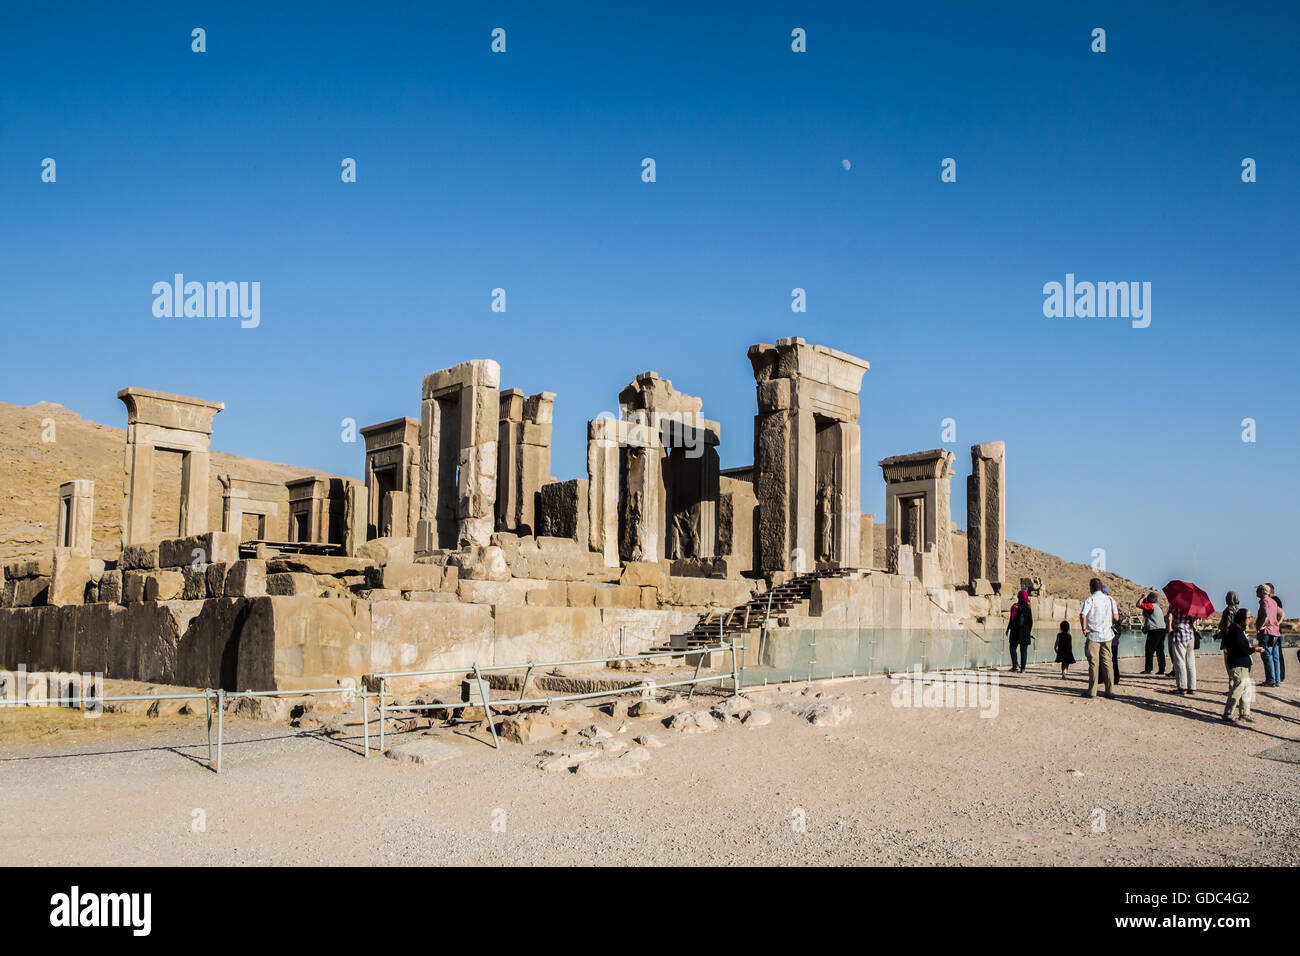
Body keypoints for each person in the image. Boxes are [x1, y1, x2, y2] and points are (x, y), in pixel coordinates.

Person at [1222, 608, 1265, 724]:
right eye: (1248, 617)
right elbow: (1242, 649)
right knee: (1238, 689)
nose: (1250, 620)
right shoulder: (1235, 631)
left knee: (1247, 689)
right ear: (1242, 618)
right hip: (1238, 665)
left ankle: (1244, 713)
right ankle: (1228, 713)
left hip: (1242, 665)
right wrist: (1254, 649)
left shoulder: (1238, 630)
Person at [1080, 578, 1118, 698]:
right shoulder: (1110, 599)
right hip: (1107, 635)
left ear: (1091, 587)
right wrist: (1107, 622)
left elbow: (1082, 614)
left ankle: (1092, 691)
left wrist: (1084, 629)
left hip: (1093, 635)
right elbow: (1116, 617)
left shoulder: (1090, 599)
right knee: (1108, 663)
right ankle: (1110, 690)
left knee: (1093, 663)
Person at [1167, 601, 1200, 696]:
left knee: (1180, 661)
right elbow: (1196, 623)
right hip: (1190, 636)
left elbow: (1170, 617)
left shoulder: (1176, 604)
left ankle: (1182, 687)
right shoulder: (1194, 606)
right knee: (1190, 662)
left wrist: (1169, 629)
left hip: (1179, 634)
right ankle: (1192, 687)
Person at [1256, 584, 1283, 687]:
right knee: (1275, 656)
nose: (1256, 592)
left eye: (1258, 590)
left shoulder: (1265, 601)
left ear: (1262, 591)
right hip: (1275, 632)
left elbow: (1266, 614)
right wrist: (1276, 623)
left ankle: (1270, 680)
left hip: (1267, 632)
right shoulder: (1273, 601)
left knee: (1267, 655)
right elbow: (1282, 614)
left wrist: (1261, 626)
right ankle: (1277, 680)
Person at [1005, 588, 1033, 673]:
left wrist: (1008, 629)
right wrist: (1029, 631)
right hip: (1025, 632)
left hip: (1015, 631)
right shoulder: (1028, 607)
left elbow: (1012, 619)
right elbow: (1031, 621)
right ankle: (1023, 669)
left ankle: (1015, 665)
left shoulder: (1015, 606)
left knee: (1013, 647)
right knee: (1024, 650)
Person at [1138, 592, 1167, 674]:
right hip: (1162, 629)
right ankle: (1162, 669)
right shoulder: (1158, 607)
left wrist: (1142, 598)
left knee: (1149, 649)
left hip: (1155, 630)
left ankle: (1148, 668)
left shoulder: (1151, 605)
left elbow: (1138, 604)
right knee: (1160, 650)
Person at [1216, 591, 1241, 677]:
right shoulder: (1240, 611)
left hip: (1229, 641)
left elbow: (1226, 627)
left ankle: (1232, 684)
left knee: (1230, 664)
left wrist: (1220, 635)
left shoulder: (1228, 612)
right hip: (1239, 640)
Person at [1102, 586, 1122, 685]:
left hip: (1107, 634)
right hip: (1114, 635)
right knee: (1113, 658)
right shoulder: (1112, 601)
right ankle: (1115, 678)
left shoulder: (1103, 602)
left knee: (1103, 657)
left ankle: (1102, 678)